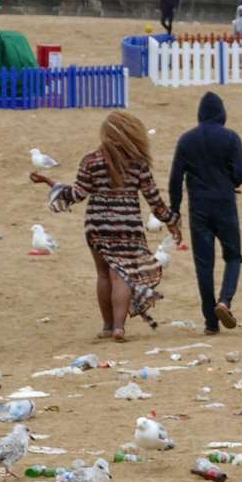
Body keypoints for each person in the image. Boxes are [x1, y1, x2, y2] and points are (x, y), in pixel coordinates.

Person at [46, 112, 180, 342]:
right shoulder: (138, 164)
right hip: (127, 226)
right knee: (121, 276)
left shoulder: (91, 160)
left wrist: (54, 186)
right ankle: (119, 327)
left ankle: (107, 326)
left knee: (103, 275)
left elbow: (77, 194)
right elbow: (154, 200)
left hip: (96, 225)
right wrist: (171, 221)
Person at [169, 92, 242, 335]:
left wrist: (175, 209)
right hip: (225, 204)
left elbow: (175, 179)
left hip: (199, 209)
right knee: (233, 256)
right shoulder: (230, 138)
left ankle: (210, 322)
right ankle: (225, 300)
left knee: (204, 265)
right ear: (221, 113)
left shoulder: (186, 140)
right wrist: (230, 181)